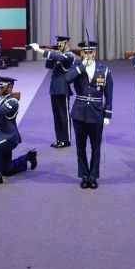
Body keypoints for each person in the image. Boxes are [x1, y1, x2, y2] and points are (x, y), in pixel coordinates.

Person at [65, 40, 113, 189]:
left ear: (94, 53)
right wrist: (82, 67)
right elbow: (67, 79)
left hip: (96, 113)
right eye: (85, 52)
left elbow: (109, 94)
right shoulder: (76, 68)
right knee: (80, 147)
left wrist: (107, 115)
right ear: (81, 54)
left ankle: (93, 176)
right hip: (79, 113)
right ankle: (84, 176)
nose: (88, 54)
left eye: (90, 52)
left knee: (95, 147)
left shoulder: (104, 70)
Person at [29, 36, 75, 148]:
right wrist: (51, 53)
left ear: (66, 44)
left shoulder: (69, 55)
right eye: (58, 44)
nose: (59, 45)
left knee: (64, 115)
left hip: (63, 89)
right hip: (54, 88)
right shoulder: (59, 55)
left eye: (61, 44)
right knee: (57, 116)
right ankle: (59, 139)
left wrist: (39, 50)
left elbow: (60, 57)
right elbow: (48, 65)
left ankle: (66, 140)